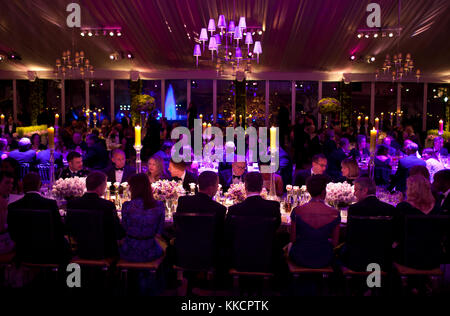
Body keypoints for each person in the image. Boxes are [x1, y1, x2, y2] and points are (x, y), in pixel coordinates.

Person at [7, 172, 70, 263]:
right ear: (40, 185)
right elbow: (59, 229)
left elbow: (12, 233)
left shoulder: (13, 206)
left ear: (23, 185)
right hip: (50, 253)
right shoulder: (50, 204)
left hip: (23, 253)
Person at [67, 171, 125, 259]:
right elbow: (116, 230)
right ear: (100, 186)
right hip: (105, 252)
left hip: (82, 250)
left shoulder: (73, 204)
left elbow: (69, 228)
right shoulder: (107, 205)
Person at [289, 174, 340, 268]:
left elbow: (292, 240)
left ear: (308, 190)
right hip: (325, 257)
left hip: (301, 256)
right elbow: (335, 243)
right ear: (324, 191)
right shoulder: (335, 213)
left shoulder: (297, 211)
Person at [394, 175, 442, 269]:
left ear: (410, 189)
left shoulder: (404, 207)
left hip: (408, 256)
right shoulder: (437, 208)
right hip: (433, 257)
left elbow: (396, 232)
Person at [176, 171, 227, 257]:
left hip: (184, 254)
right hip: (209, 256)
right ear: (211, 188)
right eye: (217, 186)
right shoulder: (219, 209)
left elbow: (177, 227)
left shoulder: (183, 201)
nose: (217, 188)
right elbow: (220, 236)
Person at [120, 173, 166, 262]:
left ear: (133, 188)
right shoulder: (159, 205)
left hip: (129, 251)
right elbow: (159, 232)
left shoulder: (127, 206)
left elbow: (125, 228)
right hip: (151, 251)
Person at [0, 172, 15, 254]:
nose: (10, 186)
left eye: (12, 183)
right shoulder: (2, 202)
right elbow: (2, 229)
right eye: (7, 183)